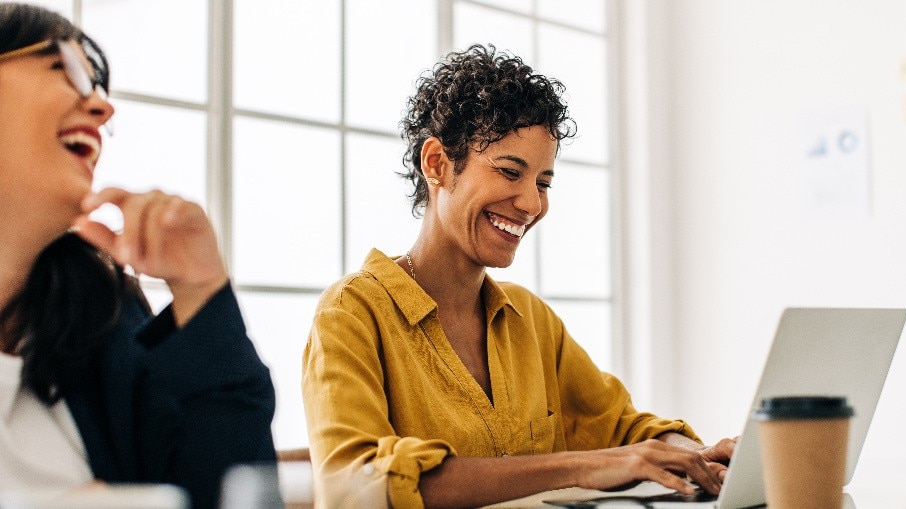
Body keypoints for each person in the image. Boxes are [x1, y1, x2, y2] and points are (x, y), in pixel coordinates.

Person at [302, 43, 736, 509]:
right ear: (437, 164)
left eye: (543, 183)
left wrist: (698, 456)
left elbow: (624, 429)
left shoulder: (530, 319)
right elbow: (358, 486)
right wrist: (586, 465)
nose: (532, 204)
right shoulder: (351, 314)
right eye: (511, 172)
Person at [0, 4, 277, 509]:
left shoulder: (104, 321)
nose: (103, 108)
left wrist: (201, 292)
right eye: (69, 68)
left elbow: (233, 493)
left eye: (100, 88)